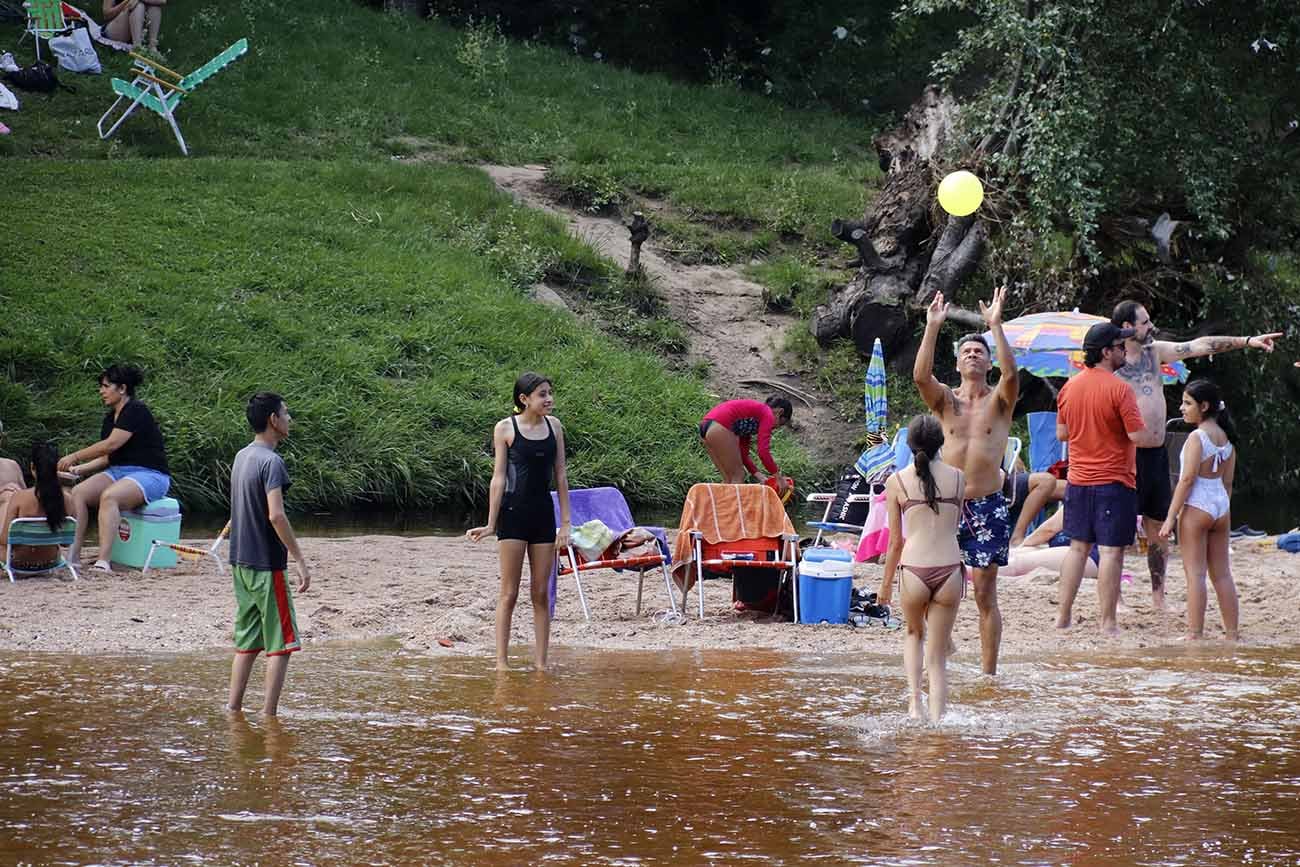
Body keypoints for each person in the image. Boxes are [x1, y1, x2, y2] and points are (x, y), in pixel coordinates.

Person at [1110, 300, 1281, 610]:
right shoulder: (1113, 362)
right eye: (1145, 322)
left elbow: (1199, 345)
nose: (1151, 327)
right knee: (1120, 530)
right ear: (1126, 328)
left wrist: (1247, 341)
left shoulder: (1154, 352)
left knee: (1158, 528)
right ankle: (1117, 598)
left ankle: (1157, 595)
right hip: (1125, 455)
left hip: (1156, 454)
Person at [912, 286, 1017, 676]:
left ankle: (990, 674)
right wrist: (933, 327)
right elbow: (921, 376)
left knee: (985, 594)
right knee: (927, 584)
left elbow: (1011, 372)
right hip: (946, 503)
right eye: (966, 353)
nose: (973, 355)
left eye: (979, 352)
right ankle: (947, 641)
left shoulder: (1001, 401)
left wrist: (995, 325)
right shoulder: (946, 402)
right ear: (957, 364)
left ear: (988, 363)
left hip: (988, 505)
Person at [467, 372, 573, 672]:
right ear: (523, 399)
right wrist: (491, 524)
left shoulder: (555, 426)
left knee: (540, 593)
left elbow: (561, 475)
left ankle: (541, 664)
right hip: (513, 516)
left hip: (543, 517)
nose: (549, 398)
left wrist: (565, 523)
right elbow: (498, 479)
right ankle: (501, 664)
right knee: (509, 593)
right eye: (542, 394)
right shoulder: (505, 428)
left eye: (550, 392)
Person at [1055, 322, 1146, 634]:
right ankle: (1107, 623)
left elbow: (1062, 433)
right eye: (1119, 347)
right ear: (1107, 352)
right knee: (1110, 552)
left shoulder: (1069, 387)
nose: (1124, 351)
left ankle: (1062, 617)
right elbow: (1136, 434)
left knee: (1077, 549)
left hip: (1078, 481)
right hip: (1114, 482)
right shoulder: (1121, 390)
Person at [226, 392, 311, 717]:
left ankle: (233, 709)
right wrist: (299, 559)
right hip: (266, 565)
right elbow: (276, 515)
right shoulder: (272, 462)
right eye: (286, 414)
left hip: (240, 563)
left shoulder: (241, 456)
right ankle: (269, 716)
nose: (290, 419)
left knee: (247, 641)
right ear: (273, 421)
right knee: (281, 644)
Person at [880, 415, 964, 722]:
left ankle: (915, 706)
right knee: (938, 655)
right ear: (942, 443)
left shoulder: (896, 481)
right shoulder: (959, 478)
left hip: (913, 570)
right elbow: (954, 526)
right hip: (949, 571)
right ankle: (939, 720)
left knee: (914, 634)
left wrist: (886, 584)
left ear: (908, 444)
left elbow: (894, 543)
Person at [58, 364, 171, 572]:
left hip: (150, 474)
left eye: (106, 386)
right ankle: (73, 558)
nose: (101, 391)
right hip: (118, 472)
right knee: (79, 492)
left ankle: (103, 561)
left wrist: (74, 456)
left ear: (122, 389)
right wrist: (77, 470)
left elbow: (111, 444)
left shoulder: (136, 410)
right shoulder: (110, 418)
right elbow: (107, 458)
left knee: (110, 497)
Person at [1158, 380, 1239, 640]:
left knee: (1196, 575)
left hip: (1197, 504)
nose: (1182, 408)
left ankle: (1195, 634)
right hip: (1220, 506)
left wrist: (1171, 516)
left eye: (1187, 403)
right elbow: (1227, 482)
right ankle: (1233, 633)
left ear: (1204, 406)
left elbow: (1187, 479)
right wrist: (1222, 511)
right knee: (1223, 575)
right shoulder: (1227, 439)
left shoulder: (1197, 437)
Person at [0, 442, 81, 574]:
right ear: (56, 468)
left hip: (18, 562)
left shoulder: (19, 497)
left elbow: (5, 540)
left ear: (32, 467)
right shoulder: (68, 499)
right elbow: (66, 543)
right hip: (51, 561)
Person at [698, 396, 793, 492]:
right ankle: (734, 506)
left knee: (728, 480)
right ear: (779, 412)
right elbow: (763, 451)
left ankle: (719, 505)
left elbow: (742, 453)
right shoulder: (767, 413)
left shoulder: (751, 418)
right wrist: (778, 477)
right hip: (721, 425)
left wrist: (758, 475)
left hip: (706, 426)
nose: (776, 427)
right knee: (738, 476)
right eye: (781, 423)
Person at [1002, 509, 1100, 580]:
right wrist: (1023, 547)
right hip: (1077, 550)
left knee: (1017, 563)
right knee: (1011, 556)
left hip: (1089, 555)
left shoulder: (1086, 491)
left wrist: (1023, 547)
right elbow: (1048, 530)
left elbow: (1049, 529)